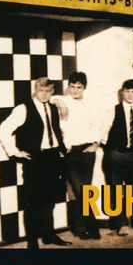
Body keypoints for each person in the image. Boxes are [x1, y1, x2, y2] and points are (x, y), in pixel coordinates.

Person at [0, 77, 72, 249]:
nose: (44, 94)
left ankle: (49, 235)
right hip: (35, 160)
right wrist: (15, 152)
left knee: (50, 200)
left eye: (48, 91)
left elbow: (57, 130)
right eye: (41, 91)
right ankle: (32, 242)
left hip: (53, 158)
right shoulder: (23, 108)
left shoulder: (53, 107)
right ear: (35, 91)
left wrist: (63, 148)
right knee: (32, 202)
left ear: (52, 92)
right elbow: (3, 129)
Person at [52, 71, 102, 240]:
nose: (75, 90)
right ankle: (92, 225)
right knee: (79, 190)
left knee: (84, 190)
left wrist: (96, 144)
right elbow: (50, 98)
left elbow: (97, 125)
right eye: (72, 87)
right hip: (70, 152)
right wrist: (61, 103)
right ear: (68, 87)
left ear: (84, 88)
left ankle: (80, 228)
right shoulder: (63, 100)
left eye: (79, 87)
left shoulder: (90, 104)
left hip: (87, 150)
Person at [102, 79, 133, 238]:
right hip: (115, 154)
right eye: (127, 91)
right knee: (116, 190)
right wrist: (109, 148)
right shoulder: (114, 109)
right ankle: (122, 225)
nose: (130, 95)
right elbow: (104, 129)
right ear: (122, 92)